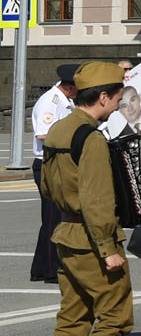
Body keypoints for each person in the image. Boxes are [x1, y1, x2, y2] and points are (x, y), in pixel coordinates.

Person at [40, 62, 134, 336]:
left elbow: (46, 187)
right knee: (114, 315)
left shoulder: (59, 130)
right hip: (93, 240)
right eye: (118, 96)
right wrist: (109, 249)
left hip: (66, 233)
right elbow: (97, 201)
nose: (119, 103)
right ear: (105, 96)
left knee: (72, 316)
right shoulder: (91, 138)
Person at [28, 64, 79, 286]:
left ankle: (40, 268)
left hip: (55, 162)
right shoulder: (52, 101)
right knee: (53, 218)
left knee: (52, 217)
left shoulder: (65, 101)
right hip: (48, 163)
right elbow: (43, 133)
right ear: (70, 87)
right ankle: (51, 270)